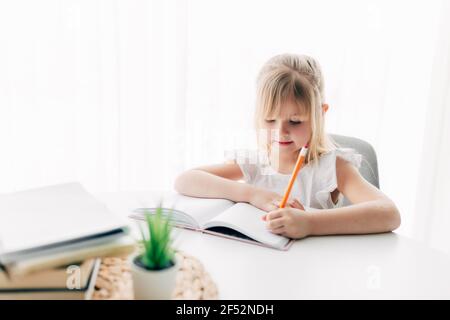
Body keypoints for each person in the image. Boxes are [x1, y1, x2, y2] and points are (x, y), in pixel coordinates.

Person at [174, 53, 400, 239]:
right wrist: (251, 194)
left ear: (320, 115)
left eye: (295, 121)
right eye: (270, 119)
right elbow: (185, 180)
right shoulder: (256, 162)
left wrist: (311, 224)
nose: (280, 132)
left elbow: (389, 213)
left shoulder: (333, 167)